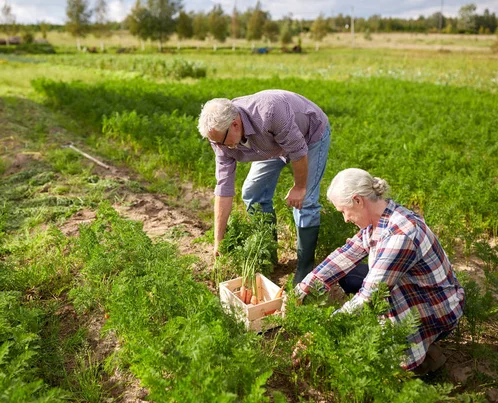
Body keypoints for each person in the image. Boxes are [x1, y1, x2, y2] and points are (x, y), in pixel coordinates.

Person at [294, 168, 465, 375]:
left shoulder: (400, 236)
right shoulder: (382, 218)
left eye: (343, 211)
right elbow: (346, 254)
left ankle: (425, 357)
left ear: (358, 201)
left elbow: (368, 296)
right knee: (349, 276)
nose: (345, 219)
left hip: (436, 309)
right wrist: (303, 288)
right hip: (412, 289)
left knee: (374, 359)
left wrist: (323, 332)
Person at [197, 90, 331, 284]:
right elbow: (224, 187)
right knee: (252, 192)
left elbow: (298, 150)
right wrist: (219, 239)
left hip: (309, 136)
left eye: (221, 141)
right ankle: (269, 254)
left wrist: (299, 187)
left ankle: (305, 268)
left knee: (305, 202)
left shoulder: (270, 112)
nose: (218, 146)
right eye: (214, 142)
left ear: (235, 124)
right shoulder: (220, 138)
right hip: (271, 144)